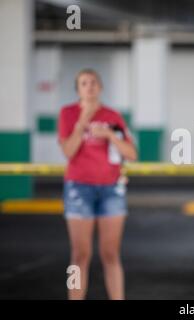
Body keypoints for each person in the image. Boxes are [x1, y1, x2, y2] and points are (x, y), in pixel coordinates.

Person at [58, 69, 137, 300]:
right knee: (79, 254)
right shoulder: (68, 113)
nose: (89, 86)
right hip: (78, 189)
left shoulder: (113, 116)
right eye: (84, 83)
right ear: (78, 89)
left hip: (111, 190)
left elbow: (131, 153)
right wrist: (83, 120)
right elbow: (68, 151)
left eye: (93, 82)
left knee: (111, 254)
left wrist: (110, 135)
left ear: (100, 87)